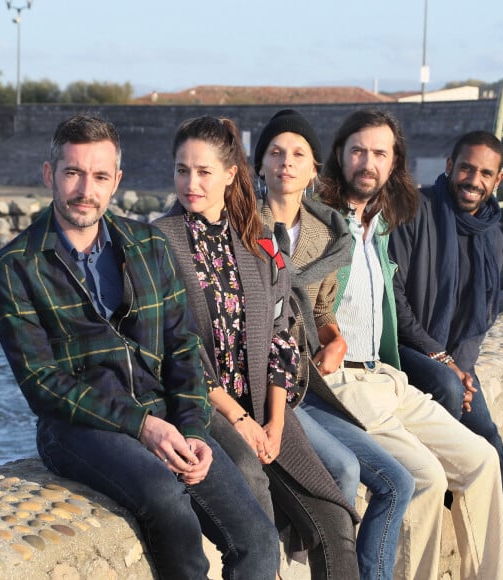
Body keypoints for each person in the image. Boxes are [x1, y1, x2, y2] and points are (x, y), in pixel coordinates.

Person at [0, 114, 280, 580]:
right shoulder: (15, 266)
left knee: (259, 540)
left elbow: (182, 345)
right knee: (167, 501)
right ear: (49, 175)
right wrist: (144, 426)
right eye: (72, 173)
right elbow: (42, 384)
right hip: (78, 426)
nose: (86, 189)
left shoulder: (146, 244)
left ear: (117, 181)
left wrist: (192, 428)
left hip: (164, 411)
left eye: (100, 176)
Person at [154, 115, 360, 580]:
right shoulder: (159, 241)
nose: (191, 183)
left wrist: (275, 420)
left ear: (230, 174)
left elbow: (284, 334)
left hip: (266, 406)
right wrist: (242, 420)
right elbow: (173, 346)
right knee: (253, 491)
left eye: (204, 172)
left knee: (334, 520)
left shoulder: (259, 241)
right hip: (205, 405)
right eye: (182, 170)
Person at [318, 109, 503, 579]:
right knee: (427, 476)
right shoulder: (319, 223)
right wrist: (326, 337)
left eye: (379, 153)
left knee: (484, 459)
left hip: (387, 375)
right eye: (358, 151)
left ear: (394, 162)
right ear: (340, 155)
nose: (368, 162)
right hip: (343, 381)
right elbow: (297, 298)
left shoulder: (380, 227)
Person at [254, 108, 414, 580]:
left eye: (298, 154)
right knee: (342, 469)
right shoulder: (245, 227)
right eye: (275, 153)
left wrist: (335, 337)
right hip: (266, 385)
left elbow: (319, 308)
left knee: (398, 482)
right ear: (260, 163)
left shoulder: (327, 234)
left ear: (312, 168)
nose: (286, 162)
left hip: (311, 384)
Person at [388, 131, 503, 496]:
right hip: (406, 348)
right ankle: (441, 509)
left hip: (453, 361)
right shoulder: (413, 211)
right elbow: (393, 296)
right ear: (450, 166)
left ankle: (489, 550)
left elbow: (481, 316)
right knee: (447, 386)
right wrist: (440, 357)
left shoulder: (493, 236)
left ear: (497, 180)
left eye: (486, 174)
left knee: (491, 443)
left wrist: (462, 366)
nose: (474, 181)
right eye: (467, 169)